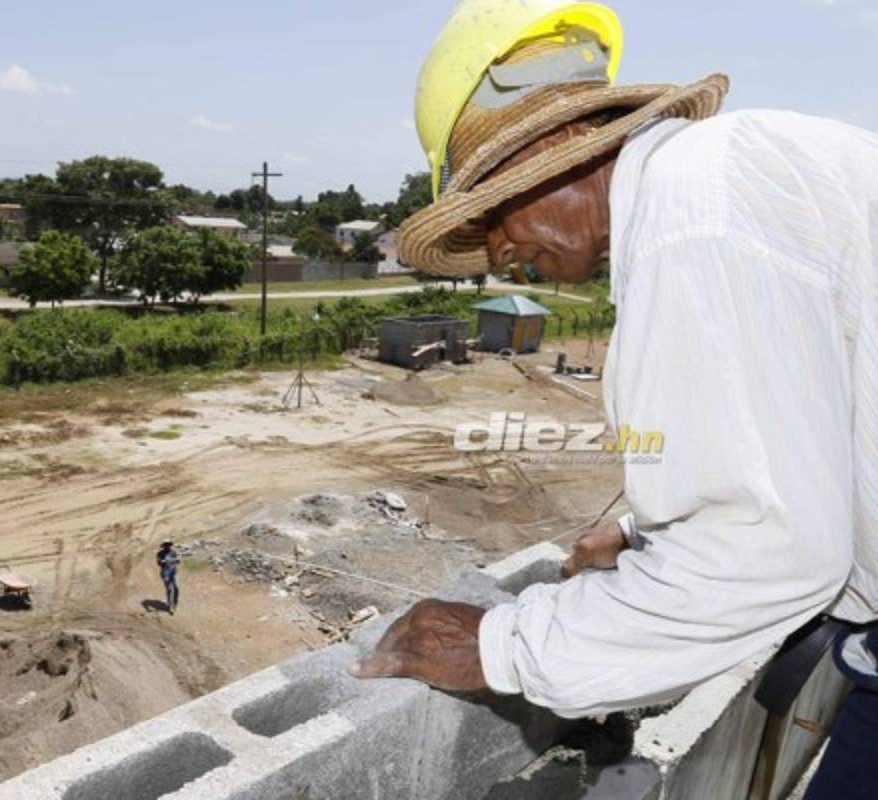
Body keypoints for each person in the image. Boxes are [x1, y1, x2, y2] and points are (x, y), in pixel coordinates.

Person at [350, 2, 877, 796]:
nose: (497, 251)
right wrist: (638, 532)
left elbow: (767, 550)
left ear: (564, 145)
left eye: (495, 209)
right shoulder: (729, 178)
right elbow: (824, 436)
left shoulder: (694, 223)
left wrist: (500, 647)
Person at [156, 542, 181, 615]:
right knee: (169, 589)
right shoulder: (160, 553)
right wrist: (162, 561)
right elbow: (158, 563)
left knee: (177, 587)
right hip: (165, 573)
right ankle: (170, 606)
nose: (167, 546)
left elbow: (178, 560)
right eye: (166, 545)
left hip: (174, 572)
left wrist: (177, 560)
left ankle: (175, 603)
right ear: (163, 546)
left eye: (168, 545)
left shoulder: (174, 552)